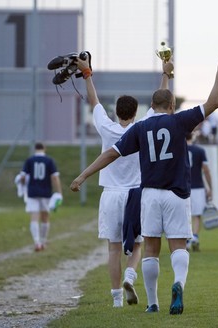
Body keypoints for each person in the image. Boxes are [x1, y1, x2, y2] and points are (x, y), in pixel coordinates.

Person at [70, 55, 218, 315]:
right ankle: (178, 284)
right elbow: (212, 104)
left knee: (150, 249)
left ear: (150, 106)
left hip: (149, 196)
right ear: (172, 104)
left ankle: (152, 302)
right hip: (176, 194)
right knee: (178, 245)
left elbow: (111, 153)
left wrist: (83, 175)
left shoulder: (141, 128)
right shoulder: (178, 121)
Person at [75, 53, 172, 308]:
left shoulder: (106, 128)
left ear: (116, 112)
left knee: (113, 248)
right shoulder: (141, 128)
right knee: (138, 244)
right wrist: (165, 74)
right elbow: (160, 103)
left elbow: (93, 100)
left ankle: (117, 298)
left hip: (110, 194)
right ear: (135, 112)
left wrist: (87, 74)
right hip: (136, 195)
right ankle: (131, 274)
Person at [18, 142, 63, 252]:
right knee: (45, 217)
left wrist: (23, 184)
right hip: (46, 192)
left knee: (34, 217)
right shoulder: (49, 160)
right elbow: (55, 178)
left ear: (35, 149)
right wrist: (59, 192)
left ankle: (37, 242)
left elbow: (22, 177)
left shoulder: (29, 160)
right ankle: (43, 241)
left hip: (32, 192)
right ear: (45, 148)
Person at [186, 132, 213, 252]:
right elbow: (206, 170)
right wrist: (210, 187)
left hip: (182, 187)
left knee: (184, 216)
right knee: (197, 215)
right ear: (192, 137)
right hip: (198, 186)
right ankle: (195, 237)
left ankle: (186, 239)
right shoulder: (200, 150)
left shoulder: (177, 149)